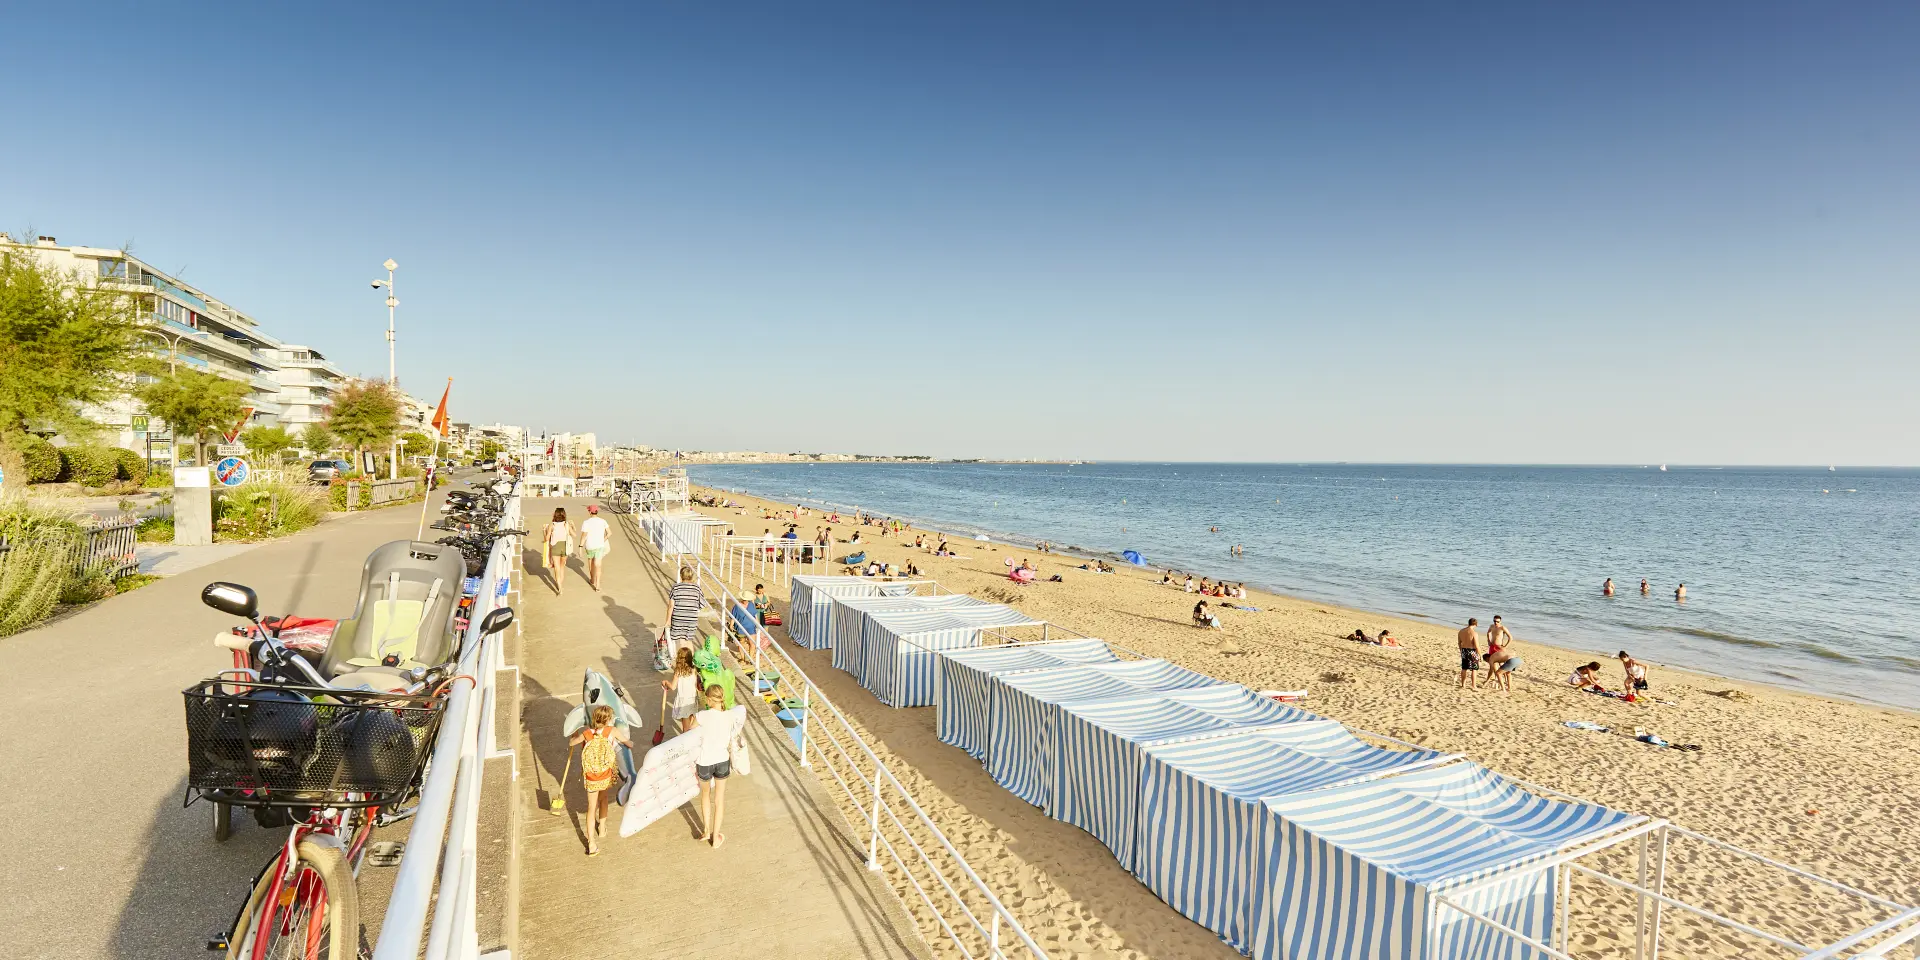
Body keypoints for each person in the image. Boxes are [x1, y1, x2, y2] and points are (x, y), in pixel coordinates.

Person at [691, 683, 747, 848]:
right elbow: (741, 713)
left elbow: (690, 732)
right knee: (719, 799)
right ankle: (716, 838)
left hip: (704, 761)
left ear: (708, 699)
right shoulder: (729, 716)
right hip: (722, 760)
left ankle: (706, 831)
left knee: (705, 796)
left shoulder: (701, 715)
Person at [569, 704, 629, 855]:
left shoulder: (587, 733)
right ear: (608, 720)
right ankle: (602, 828)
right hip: (605, 774)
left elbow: (572, 743)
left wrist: (574, 735)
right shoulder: (612, 731)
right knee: (603, 799)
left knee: (591, 807)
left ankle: (591, 843)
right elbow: (628, 743)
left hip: (591, 776)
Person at [663, 648, 700, 733]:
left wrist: (666, 682)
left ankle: (686, 739)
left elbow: (673, 687)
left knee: (686, 728)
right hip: (693, 698)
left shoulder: (678, 671)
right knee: (691, 724)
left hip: (684, 700)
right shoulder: (694, 669)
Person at [668, 565, 704, 652]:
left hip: (678, 618)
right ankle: (690, 659)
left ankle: (679, 659)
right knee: (689, 641)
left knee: (679, 641)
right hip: (691, 619)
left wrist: (668, 620)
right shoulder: (697, 588)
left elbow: (671, 606)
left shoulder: (675, 587)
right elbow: (702, 605)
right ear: (691, 576)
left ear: (681, 576)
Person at [579, 504, 612, 592]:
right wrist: (603, 539)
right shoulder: (603, 521)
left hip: (589, 546)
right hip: (599, 546)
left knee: (591, 563)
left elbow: (584, 536)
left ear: (590, 512)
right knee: (598, 565)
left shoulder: (586, 522)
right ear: (597, 512)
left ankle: (592, 580)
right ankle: (597, 585)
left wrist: (580, 547)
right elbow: (609, 533)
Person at [544, 507, 575, 594]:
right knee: (562, 567)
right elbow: (574, 535)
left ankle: (560, 588)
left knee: (556, 567)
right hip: (565, 546)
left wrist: (544, 531)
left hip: (555, 547)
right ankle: (560, 584)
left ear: (555, 514)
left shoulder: (552, 525)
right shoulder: (566, 524)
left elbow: (546, 539)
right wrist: (572, 526)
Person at [1457, 618, 1482, 689]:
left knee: (1464, 668)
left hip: (1464, 650)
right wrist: (1480, 655)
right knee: (1474, 669)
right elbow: (1476, 646)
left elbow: (1459, 643)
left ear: (1468, 623)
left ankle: (1463, 684)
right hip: (1472, 651)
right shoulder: (1474, 633)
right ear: (1475, 624)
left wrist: (1461, 650)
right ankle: (1473, 685)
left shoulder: (1461, 631)